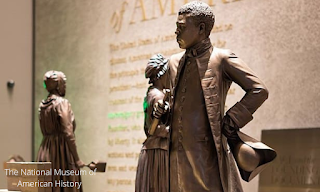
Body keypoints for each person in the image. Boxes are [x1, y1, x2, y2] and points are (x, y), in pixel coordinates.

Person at [156, 1, 270, 192]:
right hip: (174, 155)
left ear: (201, 29)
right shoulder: (173, 62)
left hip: (206, 156)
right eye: (176, 27)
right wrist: (163, 108)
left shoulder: (221, 59)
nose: (176, 32)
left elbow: (258, 90)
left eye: (181, 27)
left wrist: (231, 121)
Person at [37, 70, 85, 192]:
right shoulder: (62, 103)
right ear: (58, 85)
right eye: (63, 83)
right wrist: (77, 158)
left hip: (45, 151)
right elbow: (68, 132)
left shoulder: (42, 105)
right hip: (60, 152)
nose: (65, 87)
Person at [135, 54, 171, 192]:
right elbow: (154, 129)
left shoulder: (151, 93)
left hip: (154, 149)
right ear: (162, 74)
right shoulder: (158, 96)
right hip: (157, 151)